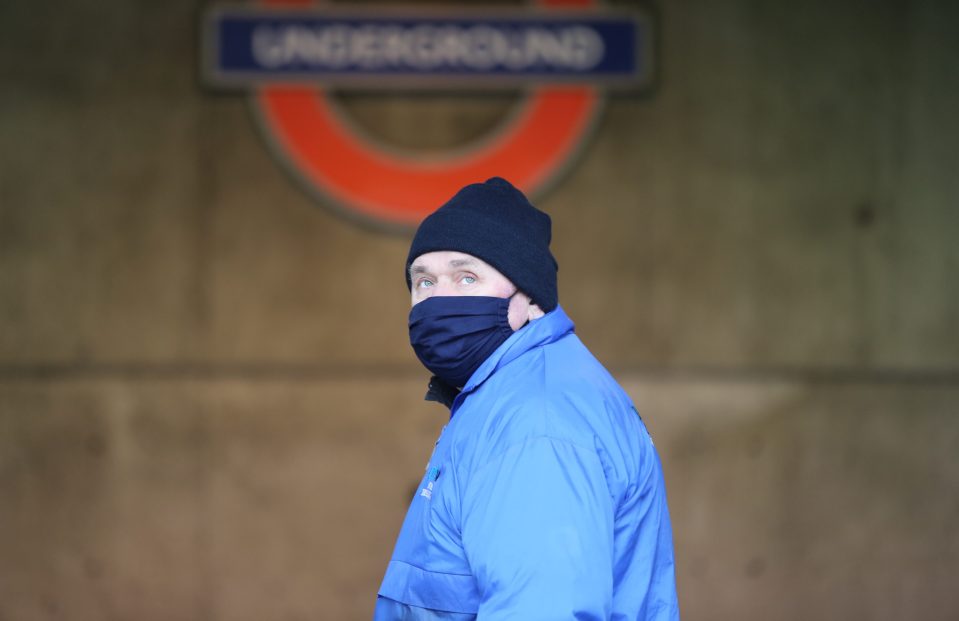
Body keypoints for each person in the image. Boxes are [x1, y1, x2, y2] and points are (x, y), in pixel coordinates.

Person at [374, 177, 679, 620]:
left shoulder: (535, 423)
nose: (439, 299)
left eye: (466, 277)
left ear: (531, 299)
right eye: (423, 282)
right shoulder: (514, 395)